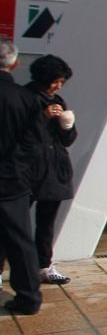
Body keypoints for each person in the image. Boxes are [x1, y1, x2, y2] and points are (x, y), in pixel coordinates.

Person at [0, 39, 47, 314]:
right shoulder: (26, 99)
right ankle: (29, 298)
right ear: (15, 64)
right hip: (12, 182)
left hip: (12, 179)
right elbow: (33, 144)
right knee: (20, 241)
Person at [24, 55, 78, 286]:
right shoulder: (24, 98)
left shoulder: (58, 100)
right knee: (12, 221)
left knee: (46, 222)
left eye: (62, 82)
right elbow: (19, 133)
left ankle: (43, 265)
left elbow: (66, 140)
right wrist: (42, 118)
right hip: (27, 169)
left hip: (54, 169)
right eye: (56, 81)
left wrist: (67, 126)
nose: (58, 86)